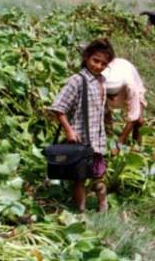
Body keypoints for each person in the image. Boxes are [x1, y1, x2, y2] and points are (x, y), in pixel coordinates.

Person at [48, 38, 115, 213]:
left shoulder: (101, 81)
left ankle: (103, 209)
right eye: (95, 61)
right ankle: (81, 212)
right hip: (79, 141)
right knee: (79, 178)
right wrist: (68, 130)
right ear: (86, 58)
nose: (99, 66)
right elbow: (58, 107)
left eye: (103, 63)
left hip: (97, 141)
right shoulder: (77, 80)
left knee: (99, 176)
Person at [102, 58, 148, 155]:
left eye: (115, 95)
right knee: (105, 114)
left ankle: (137, 147)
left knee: (139, 121)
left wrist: (120, 142)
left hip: (130, 86)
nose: (114, 99)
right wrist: (111, 143)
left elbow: (133, 117)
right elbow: (104, 112)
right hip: (110, 86)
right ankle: (109, 139)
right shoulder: (100, 84)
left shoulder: (131, 87)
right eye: (110, 96)